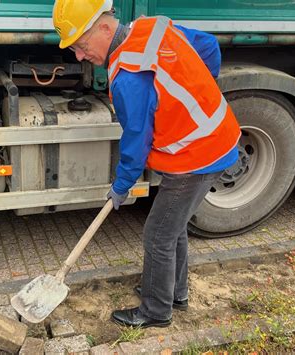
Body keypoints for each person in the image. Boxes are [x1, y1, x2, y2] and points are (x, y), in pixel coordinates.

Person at [53, 0, 241, 328]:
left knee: (157, 234)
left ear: (104, 27)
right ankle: (173, 292)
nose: (80, 57)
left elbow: (136, 143)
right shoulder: (151, 29)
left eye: (81, 46)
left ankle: (156, 311)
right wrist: (195, 91)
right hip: (213, 139)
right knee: (172, 226)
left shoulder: (128, 76)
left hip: (196, 156)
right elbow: (208, 46)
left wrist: (120, 187)